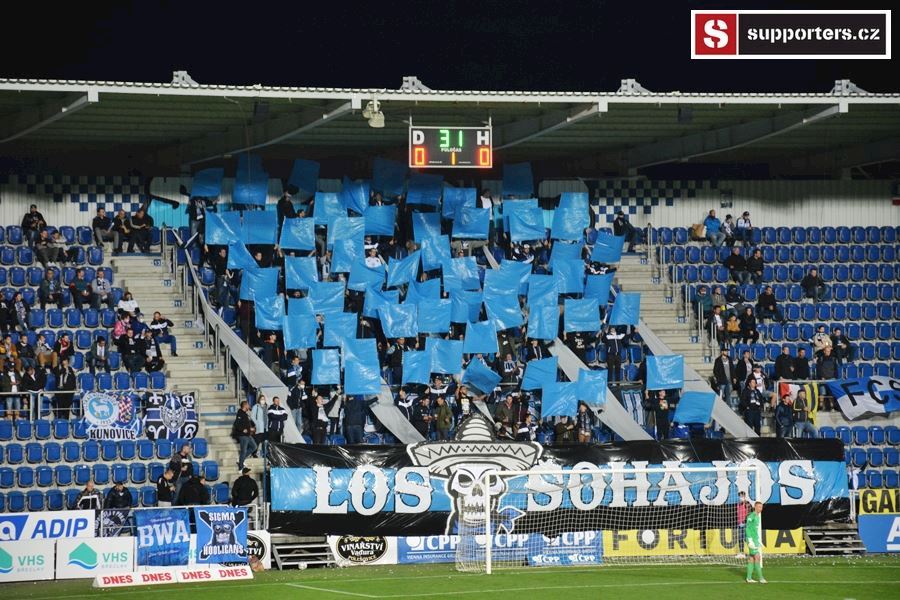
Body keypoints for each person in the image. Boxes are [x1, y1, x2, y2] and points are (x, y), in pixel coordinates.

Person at [745, 501, 766, 583]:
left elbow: (754, 530)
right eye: (759, 507)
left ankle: (749, 578)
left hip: (755, 539)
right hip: (751, 540)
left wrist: (758, 540)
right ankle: (761, 578)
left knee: (751, 558)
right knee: (757, 557)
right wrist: (750, 540)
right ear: (755, 507)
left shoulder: (757, 516)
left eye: (761, 507)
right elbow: (747, 528)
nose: (761, 509)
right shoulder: (752, 516)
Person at [233, 400, 257, 469]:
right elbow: (236, 424)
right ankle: (241, 467)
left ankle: (241, 460)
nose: (249, 406)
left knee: (254, 447)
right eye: (248, 405)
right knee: (243, 451)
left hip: (248, 435)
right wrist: (242, 429)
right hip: (243, 435)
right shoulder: (240, 413)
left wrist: (250, 429)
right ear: (245, 405)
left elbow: (246, 424)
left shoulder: (245, 413)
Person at [736, 490, 750, 558]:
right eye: (740, 496)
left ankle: (752, 552)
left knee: (746, 539)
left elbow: (749, 513)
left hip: (745, 524)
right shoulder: (738, 504)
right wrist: (739, 522)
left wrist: (745, 521)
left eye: (742, 496)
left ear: (744, 496)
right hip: (739, 524)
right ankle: (741, 553)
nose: (740, 497)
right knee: (740, 539)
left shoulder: (747, 503)